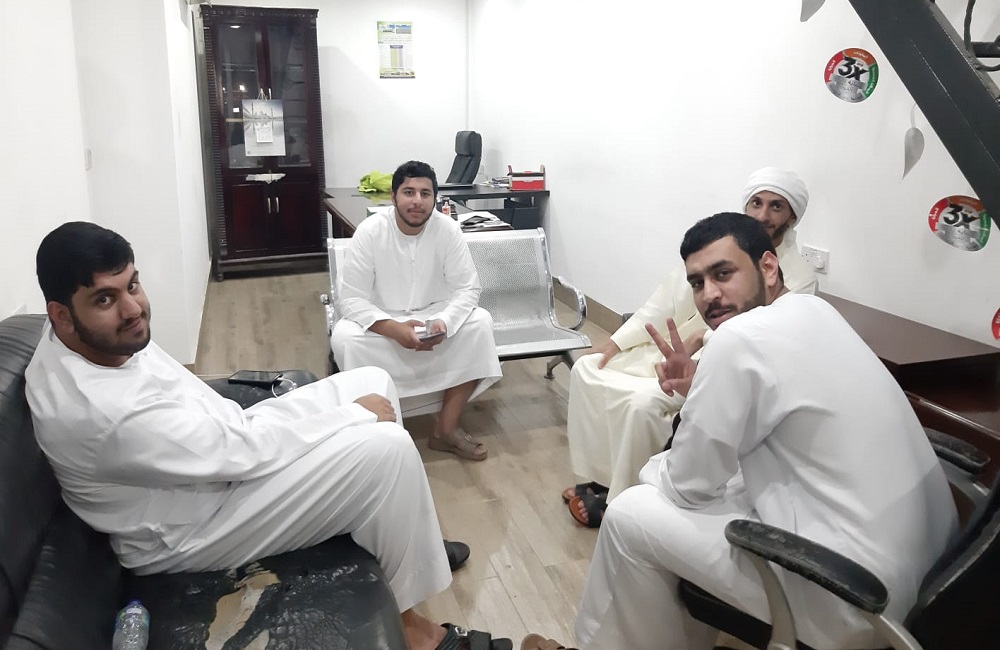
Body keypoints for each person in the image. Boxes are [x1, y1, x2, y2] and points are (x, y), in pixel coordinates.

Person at [25, 222, 509, 650]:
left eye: (132, 284)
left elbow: (221, 439)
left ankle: (405, 540)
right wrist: (350, 417)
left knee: (374, 383)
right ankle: (413, 630)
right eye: (105, 299)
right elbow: (239, 454)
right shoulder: (105, 414)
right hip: (191, 528)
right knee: (386, 448)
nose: (132, 308)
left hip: (214, 457)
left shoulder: (92, 340)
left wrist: (345, 413)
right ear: (61, 313)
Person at [525, 212, 958, 650]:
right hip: (923, 575)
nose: (709, 295)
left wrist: (656, 466)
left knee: (630, 513)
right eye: (697, 283)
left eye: (723, 274)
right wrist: (703, 391)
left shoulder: (739, 338)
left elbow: (687, 486)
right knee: (715, 492)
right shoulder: (816, 310)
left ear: (768, 267)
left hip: (849, 596)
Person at [564, 167, 818, 526]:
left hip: (717, 366)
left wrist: (702, 339)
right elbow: (661, 305)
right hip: (676, 350)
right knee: (586, 368)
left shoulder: (800, 277)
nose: (763, 215)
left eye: (776, 206)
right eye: (756, 203)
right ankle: (599, 477)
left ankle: (623, 499)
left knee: (642, 405)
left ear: (792, 216)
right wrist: (614, 343)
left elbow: (762, 335)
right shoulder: (718, 251)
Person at [331, 160, 502, 461]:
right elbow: (352, 298)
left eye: (425, 193)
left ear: (435, 199)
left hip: (434, 316)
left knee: (480, 323)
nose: (417, 201)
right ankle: (381, 436)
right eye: (408, 192)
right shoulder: (370, 231)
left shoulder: (447, 229)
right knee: (346, 338)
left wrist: (444, 323)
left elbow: (468, 289)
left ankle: (445, 429)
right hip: (382, 320)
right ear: (393, 197)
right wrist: (393, 329)